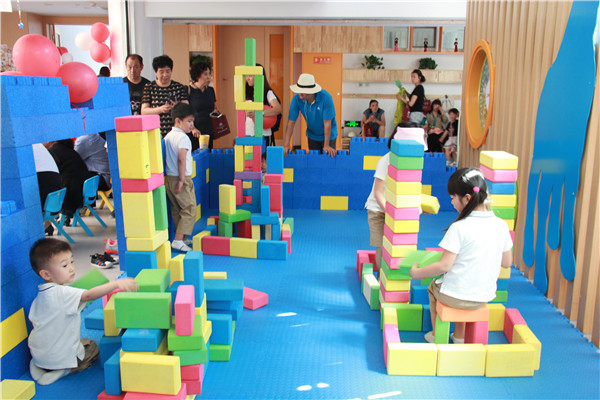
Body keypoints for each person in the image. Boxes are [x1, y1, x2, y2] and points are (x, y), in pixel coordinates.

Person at [409, 168, 513, 344]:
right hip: (483, 297)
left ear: (467, 199)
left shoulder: (459, 227)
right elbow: (507, 262)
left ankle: (435, 335)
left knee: (434, 288)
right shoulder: (501, 225)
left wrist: (416, 272)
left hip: (456, 297)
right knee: (460, 284)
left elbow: (444, 266)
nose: (451, 202)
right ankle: (459, 337)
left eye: (452, 198)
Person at [27, 238, 138, 385]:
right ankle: (65, 370)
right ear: (46, 274)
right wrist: (116, 283)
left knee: (71, 343)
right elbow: (89, 295)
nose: (71, 268)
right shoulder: (64, 293)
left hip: (39, 355)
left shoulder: (40, 297)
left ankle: (38, 366)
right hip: (61, 358)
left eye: (72, 262)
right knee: (91, 346)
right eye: (65, 265)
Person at [164, 103, 197, 252]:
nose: (192, 125)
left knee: (177, 209)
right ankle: (178, 240)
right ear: (178, 120)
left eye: (193, 121)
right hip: (180, 178)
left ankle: (182, 238)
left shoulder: (168, 136)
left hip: (169, 178)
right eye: (189, 121)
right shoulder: (183, 138)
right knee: (189, 209)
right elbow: (181, 159)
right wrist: (182, 180)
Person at [283, 73, 338, 157]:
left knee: (327, 161)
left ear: (312, 92)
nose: (300, 95)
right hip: (312, 135)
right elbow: (291, 122)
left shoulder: (326, 98)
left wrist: (326, 145)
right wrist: (286, 144)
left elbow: (327, 124)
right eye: (299, 91)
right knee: (314, 161)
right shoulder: (296, 99)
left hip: (329, 136)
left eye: (304, 92)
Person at [46, 140, 94, 225]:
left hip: (71, 195)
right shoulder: (65, 149)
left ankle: (48, 224)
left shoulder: (53, 151)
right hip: (81, 190)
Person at [141, 55, 189, 137]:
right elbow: (144, 111)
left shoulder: (179, 87)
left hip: (176, 132)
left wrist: (177, 107)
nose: (165, 75)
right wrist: (160, 109)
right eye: (161, 72)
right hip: (155, 132)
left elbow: (187, 109)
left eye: (168, 71)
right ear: (156, 72)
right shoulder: (149, 87)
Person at [245, 63, 282, 151]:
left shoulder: (267, 92)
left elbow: (278, 109)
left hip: (263, 134)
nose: (247, 78)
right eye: (247, 75)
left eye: (250, 75)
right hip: (248, 133)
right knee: (249, 158)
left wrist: (259, 113)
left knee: (262, 158)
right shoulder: (247, 93)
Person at [32, 143, 62, 235]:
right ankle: (47, 226)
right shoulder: (37, 145)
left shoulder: (26, 147)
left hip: (46, 200)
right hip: (54, 200)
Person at [188, 62, 218, 151]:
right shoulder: (189, 90)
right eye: (205, 74)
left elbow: (214, 107)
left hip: (208, 130)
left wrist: (215, 112)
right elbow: (185, 113)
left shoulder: (210, 90)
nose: (209, 77)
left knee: (208, 154)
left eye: (209, 74)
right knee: (194, 156)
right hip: (194, 131)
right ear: (197, 75)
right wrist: (192, 128)